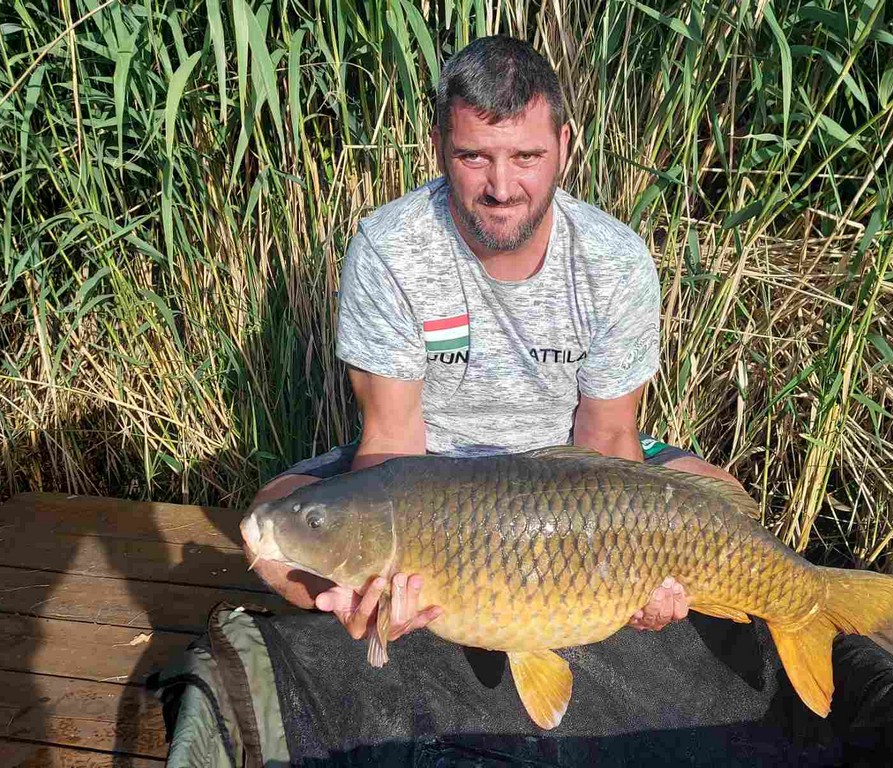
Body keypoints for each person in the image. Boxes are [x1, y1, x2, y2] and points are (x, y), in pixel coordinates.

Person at [243, 34, 743, 650]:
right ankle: (400, 603)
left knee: (725, 503)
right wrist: (378, 578)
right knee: (272, 529)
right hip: (433, 482)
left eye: (526, 156)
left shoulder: (614, 258)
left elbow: (609, 438)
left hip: (568, 479)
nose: (502, 187)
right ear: (439, 147)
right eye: (474, 157)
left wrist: (630, 563)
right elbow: (393, 438)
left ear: (565, 146)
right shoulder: (390, 247)